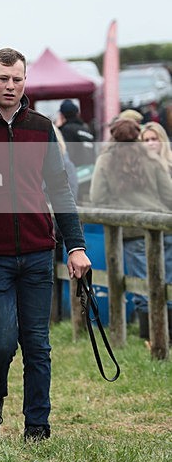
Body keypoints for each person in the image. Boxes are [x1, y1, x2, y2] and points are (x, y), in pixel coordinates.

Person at [0, 48, 91, 444]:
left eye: (17, 79)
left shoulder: (41, 127)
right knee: (2, 343)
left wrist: (75, 246)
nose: (10, 86)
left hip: (38, 250)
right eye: (3, 79)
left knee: (38, 344)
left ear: (25, 81)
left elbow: (60, 189)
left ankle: (37, 425)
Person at [90, 118, 172, 339]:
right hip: (161, 227)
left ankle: (151, 337)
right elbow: (169, 195)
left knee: (142, 284)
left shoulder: (105, 160)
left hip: (132, 232)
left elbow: (97, 197)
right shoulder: (152, 157)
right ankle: (168, 335)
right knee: (167, 281)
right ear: (138, 135)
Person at [57, 99, 95, 168]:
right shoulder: (86, 129)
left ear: (62, 115)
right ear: (77, 114)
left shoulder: (66, 130)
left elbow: (66, 153)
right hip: (90, 168)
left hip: (78, 169)